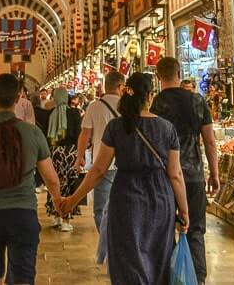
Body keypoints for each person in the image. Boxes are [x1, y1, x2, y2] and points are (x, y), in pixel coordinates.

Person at [62, 72, 189, 284]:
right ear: (150, 96)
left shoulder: (116, 127)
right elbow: (175, 174)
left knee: (128, 260)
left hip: (126, 199)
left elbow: (99, 169)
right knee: (159, 258)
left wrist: (72, 200)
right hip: (160, 200)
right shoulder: (167, 129)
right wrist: (183, 210)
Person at [0, 73, 64, 285]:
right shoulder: (33, 133)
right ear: (18, 98)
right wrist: (59, 203)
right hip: (23, 214)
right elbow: (51, 179)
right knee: (22, 280)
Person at [151, 57, 219, 285]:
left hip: (163, 177)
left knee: (165, 229)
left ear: (159, 76)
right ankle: (197, 279)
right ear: (179, 73)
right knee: (196, 231)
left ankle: (167, 277)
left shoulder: (157, 104)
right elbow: (210, 141)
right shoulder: (197, 101)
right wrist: (215, 173)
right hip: (193, 175)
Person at [75, 70, 125, 230]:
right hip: (126, 165)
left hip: (102, 165)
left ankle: (107, 244)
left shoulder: (94, 107)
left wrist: (79, 157)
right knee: (123, 208)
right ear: (120, 86)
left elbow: (85, 135)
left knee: (101, 210)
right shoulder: (127, 107)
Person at [44, 88, 82, 232]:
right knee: (69, 185)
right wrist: (80, 155)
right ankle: (66, 218)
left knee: (55, 184)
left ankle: (56, 215)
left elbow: (47, 136)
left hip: (55, 154)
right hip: (70, 152)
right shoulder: (74, 113)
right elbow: (78, 134)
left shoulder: (51, 114)